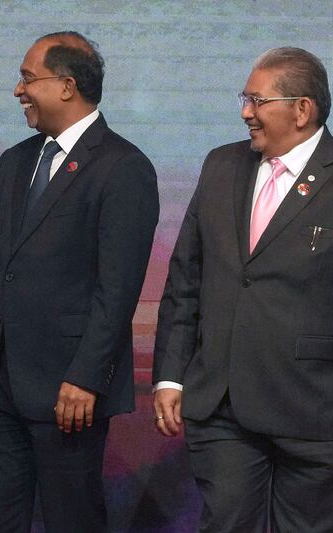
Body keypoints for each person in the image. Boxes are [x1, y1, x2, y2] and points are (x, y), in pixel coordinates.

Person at [0, 31, 159, 532]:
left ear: (67, 85)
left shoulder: (123, 167)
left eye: (28, 78)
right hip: (0, 380)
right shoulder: (15, 161)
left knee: (72, 517)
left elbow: (118, 288)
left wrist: (87, 376)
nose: (17, 90)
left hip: (70, 385)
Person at [153, 47, 333, 532]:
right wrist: (170, 376)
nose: (245, 112)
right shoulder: (221, 166)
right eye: (244, 98)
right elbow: (185, 278)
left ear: (302, 110)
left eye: (257, 100)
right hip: (222, 403)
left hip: (314, 409)